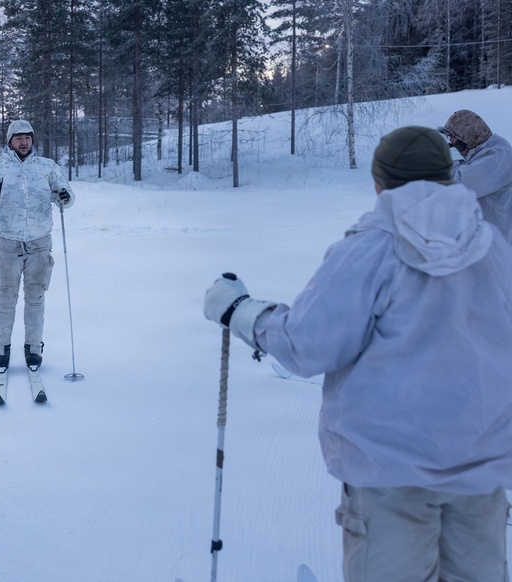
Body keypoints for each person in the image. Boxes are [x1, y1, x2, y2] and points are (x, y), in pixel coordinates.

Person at [203, 126, 512, 581]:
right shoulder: (495, 249)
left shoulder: (370, 250)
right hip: (482, 474)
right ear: (450, 177)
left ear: (379, 184)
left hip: (390, 475)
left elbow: (305, 345)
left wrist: (236, 309)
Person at [0, 119, 74, 370]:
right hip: (7, 244)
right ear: (9, 141)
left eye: (27, 137)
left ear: (32, 140)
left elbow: (67, 197)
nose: (24, 141)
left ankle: (33, 347)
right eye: (18, 138)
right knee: (6, 298)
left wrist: (64, 196)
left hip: (39, 243)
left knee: (36, 297)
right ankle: (1, 349)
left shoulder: (47, 167)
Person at [442, 109, 512, 243]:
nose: (450, 141)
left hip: (498, 239)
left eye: (452, 136)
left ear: (467, 135)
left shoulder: (497, 155)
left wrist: (448, 153)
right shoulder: (481, 150)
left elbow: (459, 186)